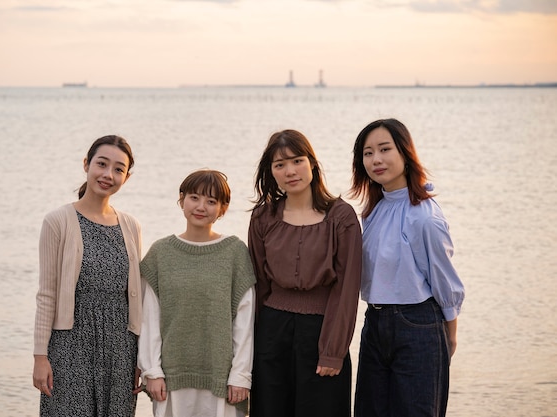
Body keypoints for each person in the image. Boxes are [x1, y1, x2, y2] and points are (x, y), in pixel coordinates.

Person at [350, 118, 465, 417]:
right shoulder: (373, 209)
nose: (376, 159)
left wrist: (450, 332)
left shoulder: (424, 216)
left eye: (385, 149)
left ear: (405, 152)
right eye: (368, 152)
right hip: (374, 323)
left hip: (418, 325)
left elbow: (443, 278)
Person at [248, 129, 362, 417]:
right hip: (272, 334)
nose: (290, 171)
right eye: (279, 165)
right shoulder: (263, 217)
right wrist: (252, 349)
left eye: (297, 161)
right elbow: (259, 285)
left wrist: (333, 351)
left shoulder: (341, 216)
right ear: (270, 172)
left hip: (323, 332)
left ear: (312, 163)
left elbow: (347, 289)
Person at [32, 135, 143, 417]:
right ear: (86, 164)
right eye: (101, 164)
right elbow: (47, 294)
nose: (108, 175)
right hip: (70, 346)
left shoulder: (131, 226)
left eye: (118, 169)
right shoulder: (57, 221)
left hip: (120, 349)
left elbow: (136, 296)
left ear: (126, 177)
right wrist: (40, 357)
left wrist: (141, 356)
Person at [136, 169, 256, 417]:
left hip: (222, 379)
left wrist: (241, 375)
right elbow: (149, 319)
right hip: (171, 378)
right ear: (181, 199)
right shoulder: (161, 253)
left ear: (222, 209)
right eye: (194, 197)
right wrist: (152, 372)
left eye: (211, 201)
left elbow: (245, 322)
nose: (201, 207)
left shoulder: (234, 252)